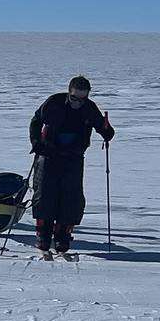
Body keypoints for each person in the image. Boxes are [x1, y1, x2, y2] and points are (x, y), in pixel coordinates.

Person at [27, 75, 115, 257]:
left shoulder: (89, 109)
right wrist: (36, 142)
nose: (78, 103)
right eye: (74, 98)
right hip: (48, 154)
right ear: (69, 93)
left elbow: (103, 127)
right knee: (44, 193)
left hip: (73, 156)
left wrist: (107, 132)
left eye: (82, 99)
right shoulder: (54, 102)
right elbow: (36, 121)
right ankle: (43, 232)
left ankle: (63, 233)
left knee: (71, 196)